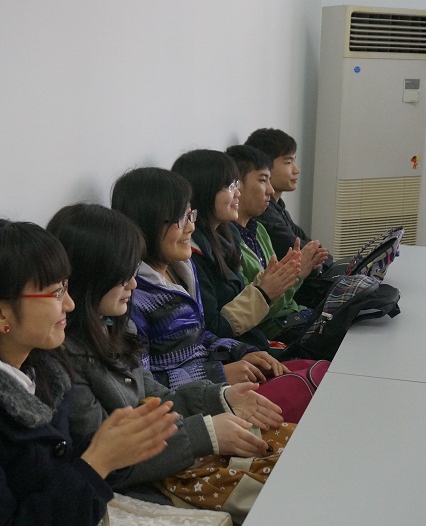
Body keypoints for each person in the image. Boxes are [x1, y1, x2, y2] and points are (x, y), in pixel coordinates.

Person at [0, 219, 179, 525]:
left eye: (66, 287)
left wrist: (116, 448)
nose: (69, 304)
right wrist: (99, 461)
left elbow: (62, 469)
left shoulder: (40, 365)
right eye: (55, 293)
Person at [46, 203, 284, 504]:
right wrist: (205, 432)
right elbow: (107, 458)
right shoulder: (64, 358)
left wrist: (221, 397)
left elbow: (154, 395)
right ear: (90, 276)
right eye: (122, 276)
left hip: (168, 454)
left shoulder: (118, 325)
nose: (133, 283)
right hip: (139, 481)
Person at [110, 167, 287, 389]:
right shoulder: (133, 295)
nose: (191, 226)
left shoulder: (182, 269)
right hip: (197, 399)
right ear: (148, 222)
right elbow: (144, 386)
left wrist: (241, 351)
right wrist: (218, 374)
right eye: (181, 219)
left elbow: (199, 338)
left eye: (190, 215)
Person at [170, 148, 302, 350]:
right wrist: (264, 292)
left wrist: (268, 283)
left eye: (236, 185)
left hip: (251, 345)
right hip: (238, 353)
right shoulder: (191, 253)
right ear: (205, 190)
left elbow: (238, 296)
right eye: (230, 186)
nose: (238, 193)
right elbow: (213, 329)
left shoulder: (226, 235)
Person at [245, 128, 337, 306]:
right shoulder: (264, 215)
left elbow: (313, 248)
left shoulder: (277, 207)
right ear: (265, 167)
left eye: (294, 161)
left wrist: (319, 261)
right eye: (288, 162)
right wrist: (316, 262)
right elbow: (305, 257)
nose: (296, 169)